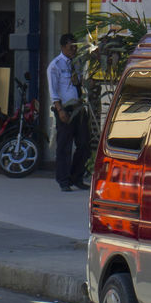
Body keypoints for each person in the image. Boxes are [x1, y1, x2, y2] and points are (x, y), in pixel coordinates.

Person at [49, 33, 88, 193]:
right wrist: (60, 109)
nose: (74, 50)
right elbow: (53, 90)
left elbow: (79, 83)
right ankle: (63, 180)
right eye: (71, 47)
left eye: (75, 47)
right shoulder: (55, 65)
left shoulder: (76, 63)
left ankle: (77, 177)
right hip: (65, 109)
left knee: (84, 143)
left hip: (78, 108)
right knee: (64, 146)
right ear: (63, 47)